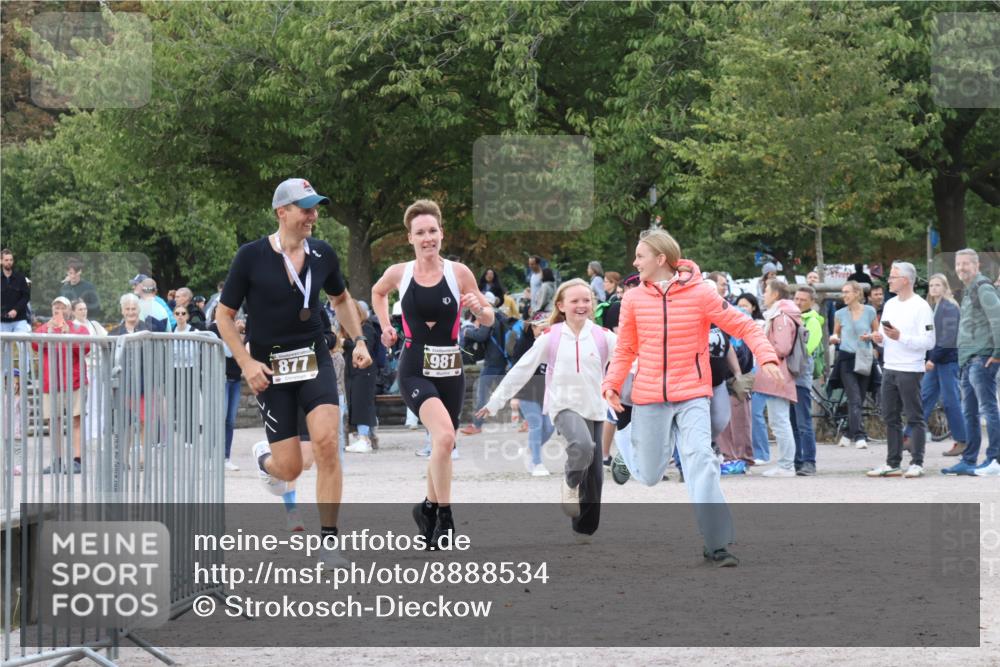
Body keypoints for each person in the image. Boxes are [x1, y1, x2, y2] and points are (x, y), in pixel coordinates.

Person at [215, 177, 372, 569]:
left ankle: (330, 543)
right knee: (290, 468)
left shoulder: (323, 254)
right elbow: (224, 315)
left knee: (326, 445)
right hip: (270, 371)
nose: (313, 215)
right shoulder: (250, 257)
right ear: (282, 212)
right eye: (305, 208)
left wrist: (359, 341)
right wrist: (247, 363)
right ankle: (265, 462)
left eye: (316, 207)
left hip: (314, 360)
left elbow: (340, 298)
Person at [602, 229, 781, 567]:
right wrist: (612, 382)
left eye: (640, 256)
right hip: (649, 395)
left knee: (702, 461)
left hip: (693, 393)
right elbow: (625, 347)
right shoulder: (633, 299)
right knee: (651, 475)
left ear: (660, 259)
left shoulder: (701, 293)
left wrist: (767, 356)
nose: (634, 262)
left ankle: (717, 543)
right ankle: (626, 448)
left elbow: (744, 326)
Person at [371, 199, 493, 549]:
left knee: (444, 444)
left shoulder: (459, 273)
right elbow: (378, 293)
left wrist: (479, 309)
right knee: (442, 439)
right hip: (413, 370)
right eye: (420, 232)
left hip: (450, 370)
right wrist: (384, 327)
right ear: (410, 237)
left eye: (433, 231)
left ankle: (425, 508)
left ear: (442, 233)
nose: (428, 238)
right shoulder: (400, 273)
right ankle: (445, 516)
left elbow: (487, 318)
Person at [479, 280, 615, 540]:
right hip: (563, 406)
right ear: (561, 306)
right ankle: (569, 482)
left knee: (595, 476)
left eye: (586, 300)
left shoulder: (603, 336)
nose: (581, 305)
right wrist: (496, 401)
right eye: (574, 301)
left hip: (595, 408)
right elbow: (521, 369)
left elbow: (630, 362)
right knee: (583, 447)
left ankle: (583, 529)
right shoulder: (551, 338)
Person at [864, 262, 935, 478]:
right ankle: (892, 462)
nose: (889, 280)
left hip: (910, 369)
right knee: (890, 416)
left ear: (905, 280)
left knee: (914, 416)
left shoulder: (921, 306)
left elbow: (930, 341)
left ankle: (917, 462)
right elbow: (887, 337)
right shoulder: (890, 304)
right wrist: (879, 339)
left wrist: (901, 337)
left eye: (893, 277)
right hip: (890, 367)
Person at [943, 249, 1000, 476]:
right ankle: (969, 460)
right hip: (968, 360)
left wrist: (997, 352)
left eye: (966, 264)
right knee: (970, 412)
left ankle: (994, 460)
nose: (961, 268)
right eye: (958, 264)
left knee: (988, 409)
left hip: (982, 358)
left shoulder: (983, 288)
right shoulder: (968, 291)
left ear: (976, 266)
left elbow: (998, 319)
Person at [907, 274, 966, 457]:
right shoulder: (934, 307)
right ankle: (909, 437)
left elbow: (948, 338)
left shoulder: (949, 307)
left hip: (947, 360)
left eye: (938, 285)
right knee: (924, 397)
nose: (933, 288)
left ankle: (962, 440)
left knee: (950, 401)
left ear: (945, 287)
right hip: (937, 359)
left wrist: (933, 359)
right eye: (931, 285)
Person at [34, 296, 90, 474]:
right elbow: (35, 344)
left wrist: (68, 335)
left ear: (68, 311)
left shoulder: (78, 329)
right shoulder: (44, 328)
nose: (58, 310)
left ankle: (77, 460)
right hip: (51, 383)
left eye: (62, 307)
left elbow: (86, 347)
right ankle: (57, 461)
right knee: (54, 422)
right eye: (55, 307)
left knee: (76, 420)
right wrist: (48, 330)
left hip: (74, 381)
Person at [753, 280, 802, 478]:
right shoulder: (782, 315)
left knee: (780, 421)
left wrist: (762, 348)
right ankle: (785, 463)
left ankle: (786, 465)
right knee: (779, 420)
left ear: (775, 294)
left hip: (778, 374)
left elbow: (782, 348)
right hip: (778, 374)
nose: (763, 295)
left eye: (766, 291)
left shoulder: (780, 317)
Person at [829, 280, 879, 449]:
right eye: (843, 292)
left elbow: (877, 333)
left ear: (857, 293)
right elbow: (835, 333)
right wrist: (834, 338)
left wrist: (870, 336)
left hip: (865, 357)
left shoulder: (870, 311)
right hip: (846, 358)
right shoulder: (840, 313)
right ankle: (859, 435)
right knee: (854, 398)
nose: (844, 295)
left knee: (860, 398)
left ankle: (848, 433)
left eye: (847, 292)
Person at [507, 310, 555, 476]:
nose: (543, 333)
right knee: (536, 425)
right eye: (540, 329)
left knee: (549, 427)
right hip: (526, 391)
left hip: (546, 392)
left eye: (546, 329)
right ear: (533, 327)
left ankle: (530, 449)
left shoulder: (553, 343)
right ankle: (537, 462)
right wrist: (514, 395)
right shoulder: (523, 343)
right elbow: (515, 369)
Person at [460, 293, 511, 436]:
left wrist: (467, 332)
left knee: (482, 393)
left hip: (492, 362)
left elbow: (482, 335)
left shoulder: (488, 316)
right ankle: (528, 420)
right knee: (509, 390)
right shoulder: (500, 315)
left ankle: (476, 425)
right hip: (502, 359)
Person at [790, 285, 824, 476]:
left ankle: (809, 461)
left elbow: (808, 348)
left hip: (801, 377)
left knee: (803, 422)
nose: (798, 302)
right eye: (796, 298)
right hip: (788, 378)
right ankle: (796, 460)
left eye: (803, 299)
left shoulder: (813, 322)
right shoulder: (790, 317)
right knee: (792, 422)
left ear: (812, 302)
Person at [208, 308, 244, 471]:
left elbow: (240, 352)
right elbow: (229, 352)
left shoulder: (235, 328)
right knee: (219, 419)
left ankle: (225, 457)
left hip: (235, 378)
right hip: (220, 378)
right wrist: (235, 335)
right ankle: (211, 457)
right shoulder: (212, 329)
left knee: (230, 421)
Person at [343, 301, 379, 453]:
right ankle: (367, 437)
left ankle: (364, 439)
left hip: (365, 372)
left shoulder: (367, 328)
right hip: (352, 373)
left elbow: (367, 347)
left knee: (362, 405)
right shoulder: (349, 331)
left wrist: (345, 343)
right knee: (355, 405)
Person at [1, 248, 31, 333]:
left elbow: (26, 296)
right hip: (2, 321)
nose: (9, 262)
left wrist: (16, 309)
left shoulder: (20, 278)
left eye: (11, 260)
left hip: (20, 319)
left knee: (24, 344)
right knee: (3, 347)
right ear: (1, 261)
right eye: (6, 260)